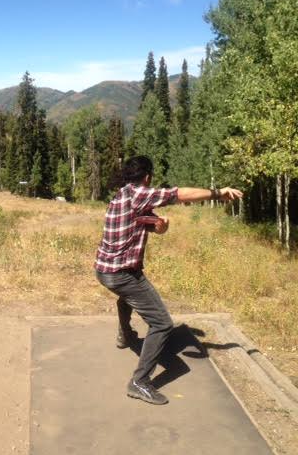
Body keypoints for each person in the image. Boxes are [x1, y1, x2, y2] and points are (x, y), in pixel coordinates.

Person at [95, 155, 243, 406]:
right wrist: (218, 193)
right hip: (121, 273)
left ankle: (126, 335)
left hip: (106, 270)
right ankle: (139, 382)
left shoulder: (123, 195)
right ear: (147, 177)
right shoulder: (138, 194)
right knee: (162, 324)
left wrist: (160, 226)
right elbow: (179, 194)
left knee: (128, 296)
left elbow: (149, 223)